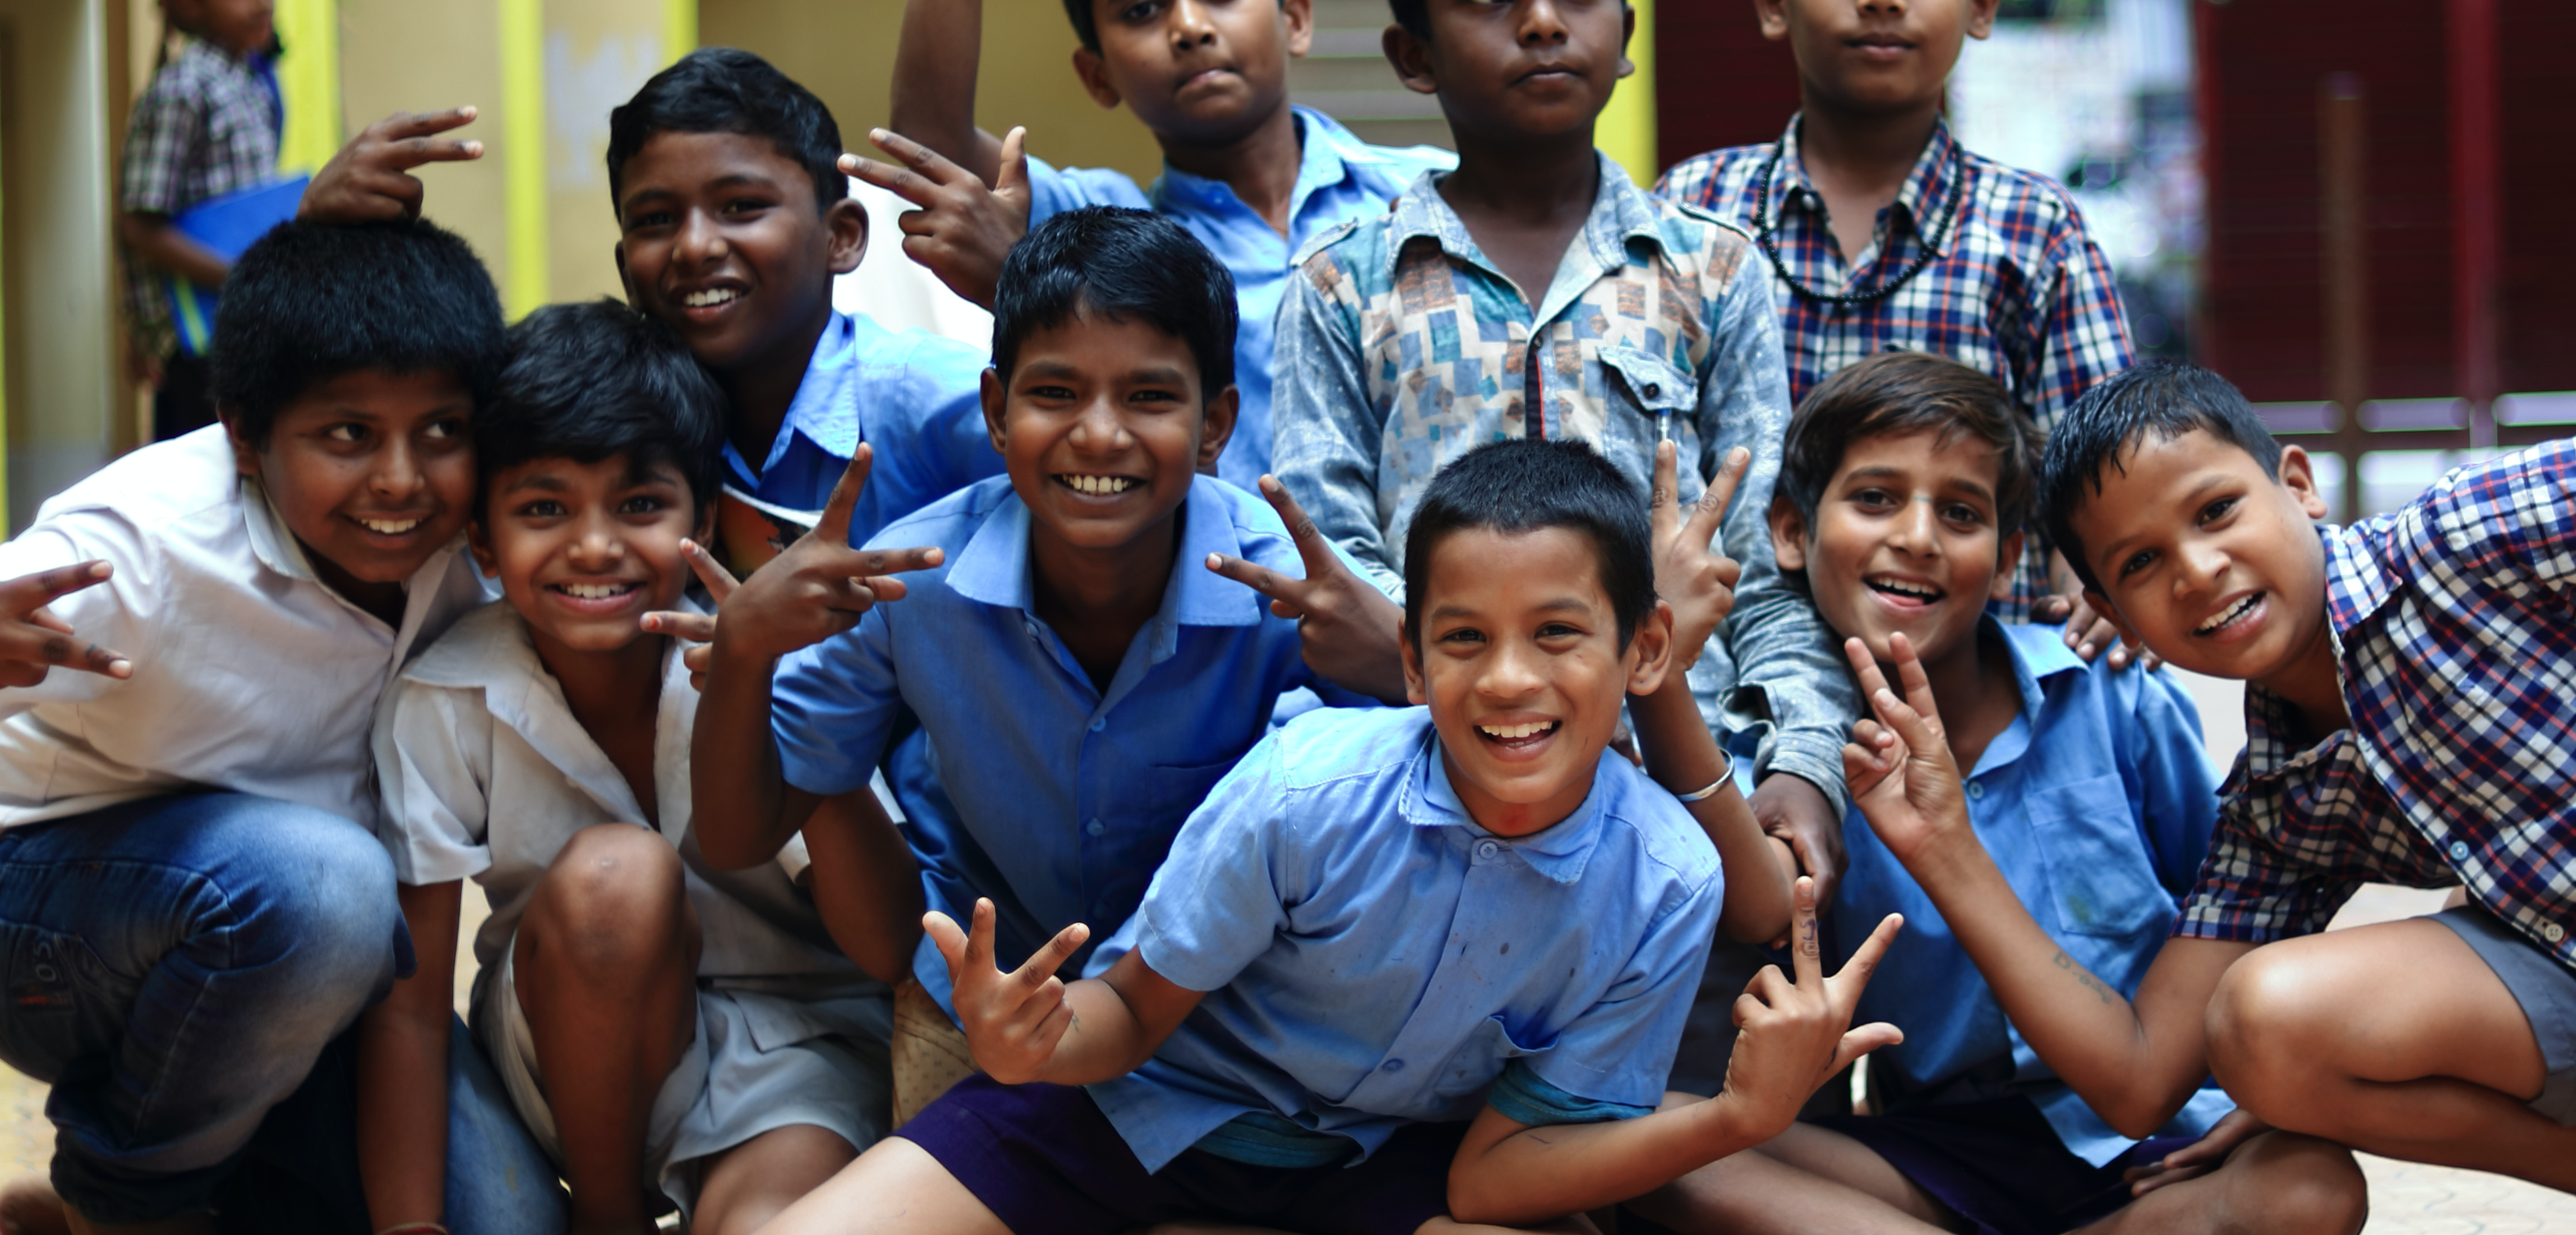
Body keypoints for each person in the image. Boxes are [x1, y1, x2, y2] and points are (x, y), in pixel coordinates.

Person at [1851, 60, 2576, 1231]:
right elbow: (2138, 1078)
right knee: (2261, 1022)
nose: (2200, 570)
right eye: (2142, 567)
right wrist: (1946, 846)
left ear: (2300, 486)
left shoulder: (2459, 545)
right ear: (2113, 614)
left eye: (2217, 514)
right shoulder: (2280, 797)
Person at [753, 437, 1904, 1235]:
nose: (1508, 681)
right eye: (1462, 639)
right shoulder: (1309, 790)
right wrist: (1032, 1048)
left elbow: (1497, 1176)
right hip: (1130, 1110)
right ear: (1410, 664)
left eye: (1559, 633)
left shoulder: (1663, 877)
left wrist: (1742, 1118)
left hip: (1374, 1158)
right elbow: (1135, 1016)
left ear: (1646, 652)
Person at [0, 219, 560, 1233]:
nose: (399, 479)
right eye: (348, 434)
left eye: (440, 430)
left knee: (503, 1221)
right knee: (330, 884)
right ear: (245, 437)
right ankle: (124, 1203)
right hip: (18, 910)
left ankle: (99, 1210)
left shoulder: (463, 560)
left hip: (285, 952)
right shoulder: (143, 543)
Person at [1265, 0, 1857, 942]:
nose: (1543, 22)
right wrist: (1485, 679)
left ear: (1626, 35)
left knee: (1716, 1099)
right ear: (1412, 53)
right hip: (1432, 810)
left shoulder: (1715, 272)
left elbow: (1773, 573)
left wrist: (1805, 763)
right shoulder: (1345, 284)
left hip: (1687, 795)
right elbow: (1335, 572)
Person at [1635, 352, 2366, 1235]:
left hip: (2167, 1138)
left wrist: (2278, 1086)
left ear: (2010, 553)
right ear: (1790, 532)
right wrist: (1661, 671)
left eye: (1961, 512)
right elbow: (1759, 898)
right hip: (1943, 1149)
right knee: (1651, 1147)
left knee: (2310, 1189)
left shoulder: (2110, 696)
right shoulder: (1799, 760)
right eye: (1874, 499)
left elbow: (2239, 911)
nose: (1917, 536)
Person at [361, 303, 917, 1235]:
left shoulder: (773, 660)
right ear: (483, 540)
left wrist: (785, 693)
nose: (593, 545)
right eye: (544, 508)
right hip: (562, 1060)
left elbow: (887, 946)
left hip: (792, 1053)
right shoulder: (447, 693)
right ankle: (610, 1217)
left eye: (640, 504)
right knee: (617, 875)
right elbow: (412, 1007)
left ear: (701, 516)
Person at [1655, 0, 2137, 658]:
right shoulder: (1694, 211)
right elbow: (1647, 452)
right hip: (1730, 694)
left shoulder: (2033, 231)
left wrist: (2097, 577)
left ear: (1981, 1)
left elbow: (2106, 473)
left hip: (1980, 700)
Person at [861, 0, 1456, 486]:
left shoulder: (1430, 190)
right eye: (1142, 9)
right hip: (1220, 583)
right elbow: (929, 139)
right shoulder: (1105, 228)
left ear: (1296, 20)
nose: (1190, 26)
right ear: (1097, 75)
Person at [300, 50, 1008, 554]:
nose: (694, 246)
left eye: (740, 206)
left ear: (842, 237)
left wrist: (1018, 287)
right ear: (626, 271)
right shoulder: (618, 418)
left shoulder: (929, 402)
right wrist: (314, 238)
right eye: (655, 220)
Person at [118, 0, 288, 439]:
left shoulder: (249, 79)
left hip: (241, 326)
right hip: (195, 342)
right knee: (203, 474)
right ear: (189, 0)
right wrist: (238, 278)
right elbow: (140, 227)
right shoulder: (181, 89)